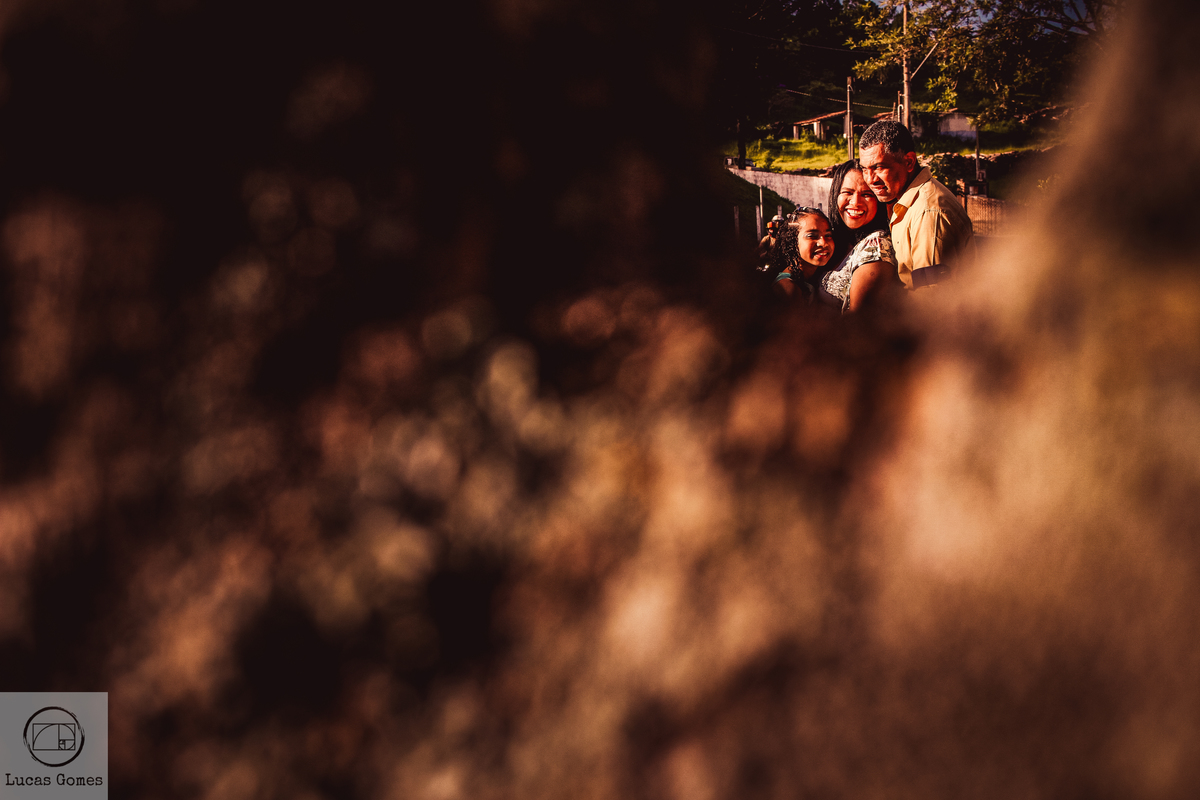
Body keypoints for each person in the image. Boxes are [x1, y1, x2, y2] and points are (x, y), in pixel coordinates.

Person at [857, 120, 973, 290]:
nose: (871, 179)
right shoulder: (906, 201)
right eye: (865, 169)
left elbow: (931, 297)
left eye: (879, 167)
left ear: (909, 162)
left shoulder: (927, 212)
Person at [817, 160, 897, 313]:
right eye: (847, 192)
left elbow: (859, 321)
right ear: (835, 195)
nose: (855, 203)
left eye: (867, 194)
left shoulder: (876, 246)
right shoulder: (835, 239)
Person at [771, 208, 834, 302]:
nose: (823, 243)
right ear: (792, 241)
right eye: (812, 236)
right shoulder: (789, 289)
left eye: (828, 235)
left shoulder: (811, 277)